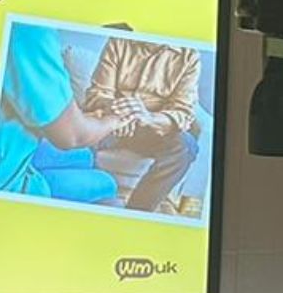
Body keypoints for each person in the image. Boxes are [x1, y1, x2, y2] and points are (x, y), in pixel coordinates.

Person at [0, 20, 127, 200]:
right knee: (107, 183)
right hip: (5, 180)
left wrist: (97, 117)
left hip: (17, 148)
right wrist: (114, 120)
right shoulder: (30, 31)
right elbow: (73, 136)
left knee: (86, 157)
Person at [80, 34, 203, 214]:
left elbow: (182, 112)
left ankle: (137, 213)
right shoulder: (119, 41)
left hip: (153, 128)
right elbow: (98, 94)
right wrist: (118, 112)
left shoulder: (188, 55)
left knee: (186, 146)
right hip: (113, 120)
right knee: (74, 136)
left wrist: (147, 118)